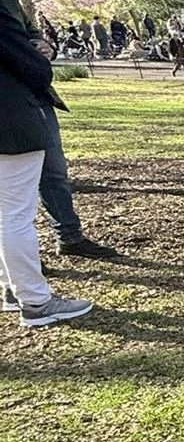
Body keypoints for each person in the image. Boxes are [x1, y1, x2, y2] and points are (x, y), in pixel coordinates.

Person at [0, 0, 93, 329]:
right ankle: (35, 300)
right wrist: (37, 56)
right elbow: (33, 69)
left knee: (5, 213)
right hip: (11, 119)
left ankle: (11, 288)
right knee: (15, 215)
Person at [25, 15, 117, 261]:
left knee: (54, 171)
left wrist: (45, 47)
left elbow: (30, 31)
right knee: (14, 188)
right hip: (10, 104)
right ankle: (19, 262)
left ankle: (69, 235)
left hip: (35, 96)